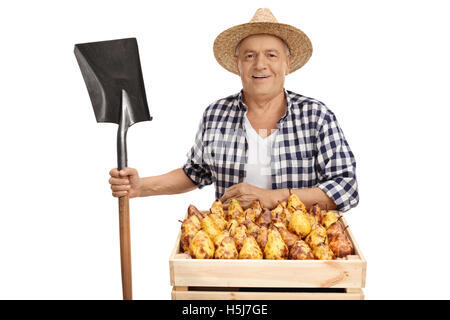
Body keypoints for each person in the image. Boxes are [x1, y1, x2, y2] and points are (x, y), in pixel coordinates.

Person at [109, 8, 359, 212]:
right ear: (238, 65)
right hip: (230, 248)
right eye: (250, 56)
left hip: (301, 253)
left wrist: (271, 198)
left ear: (287, 64)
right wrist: (141, 187)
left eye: (271, 55)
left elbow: (346, 188)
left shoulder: (316, 116)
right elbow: (196, 173)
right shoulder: (216, 115)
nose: (260, 65)